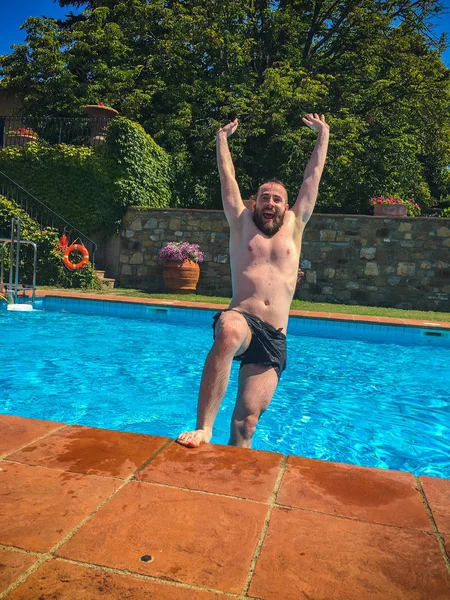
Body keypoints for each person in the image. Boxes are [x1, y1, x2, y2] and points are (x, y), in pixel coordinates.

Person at [177, 113, 330, 448]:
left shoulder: (296, 224)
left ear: (287, 206)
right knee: (229, 330)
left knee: (246, 423)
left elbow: (312, 179)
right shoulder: (241, 221)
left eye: (276, 198)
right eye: (264, 197)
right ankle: (203, 428)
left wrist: (323, 134)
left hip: (273, 335)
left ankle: (234, 481)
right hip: (242, 320)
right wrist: (221, 138)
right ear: (254, 202)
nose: (270, 202)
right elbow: (226, 178)